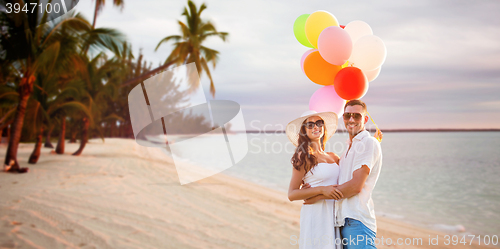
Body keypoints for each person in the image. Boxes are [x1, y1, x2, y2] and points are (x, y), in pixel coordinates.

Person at [304, 100, 383, 249]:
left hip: (357, 220)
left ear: (365, 119)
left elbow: (355, 186)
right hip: (342, 221)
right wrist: (311, 185)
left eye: (357, 116)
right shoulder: (349, 148)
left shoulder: (368, 143)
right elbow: (337, 176)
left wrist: (318, 196)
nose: (351, 120)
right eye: (347, 116)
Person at [286, 110, 343, 249]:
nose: (316, 127)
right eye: (310, 125)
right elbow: (292, 194)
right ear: (304, 131)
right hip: (316, 214)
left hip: (335, 213)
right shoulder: (304, 156)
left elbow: (347, 179)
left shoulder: (334, 157)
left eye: (319, 123)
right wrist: (322, 190)